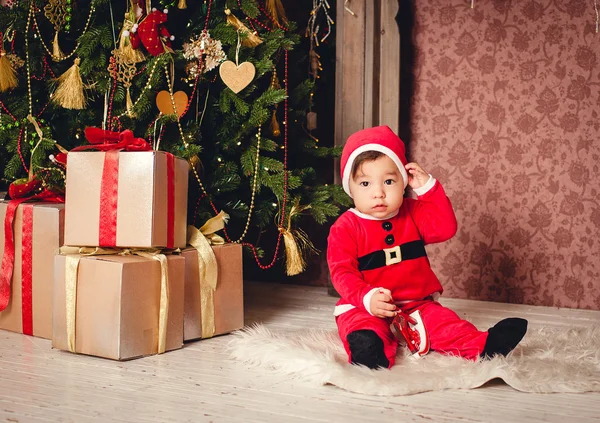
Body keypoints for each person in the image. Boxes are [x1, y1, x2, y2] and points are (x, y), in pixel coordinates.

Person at [327, 126, 528, 369]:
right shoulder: (346, 227)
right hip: (365, 305)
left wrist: (428, 189)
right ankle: (370, 352)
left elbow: (445, 227)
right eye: (366, 183)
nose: (378, 193)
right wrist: (366, 297)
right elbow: (342, 273)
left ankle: (483, 345)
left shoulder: (412, 212)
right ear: (350, 187)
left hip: (416, 303)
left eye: (389, 181)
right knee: (361, 326)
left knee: (444, 323)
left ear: (404, 181)